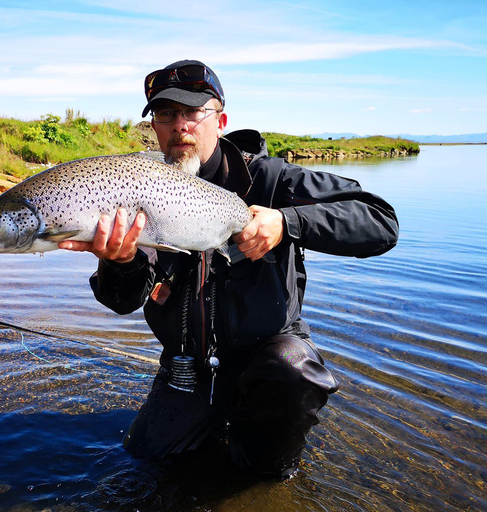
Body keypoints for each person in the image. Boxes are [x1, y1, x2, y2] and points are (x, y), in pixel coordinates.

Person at [59, 60, 398, 479]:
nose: (179, 125)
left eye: (191, 112)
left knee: (283, 398)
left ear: (219, 121)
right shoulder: (140, 189)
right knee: (142, 465)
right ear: (156, 127)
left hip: (270, 367)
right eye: (165, 115)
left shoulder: (270, 179)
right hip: (187, 370)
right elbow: (123, 301)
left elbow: (381, 221)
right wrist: (118, 261)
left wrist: (287, 222)